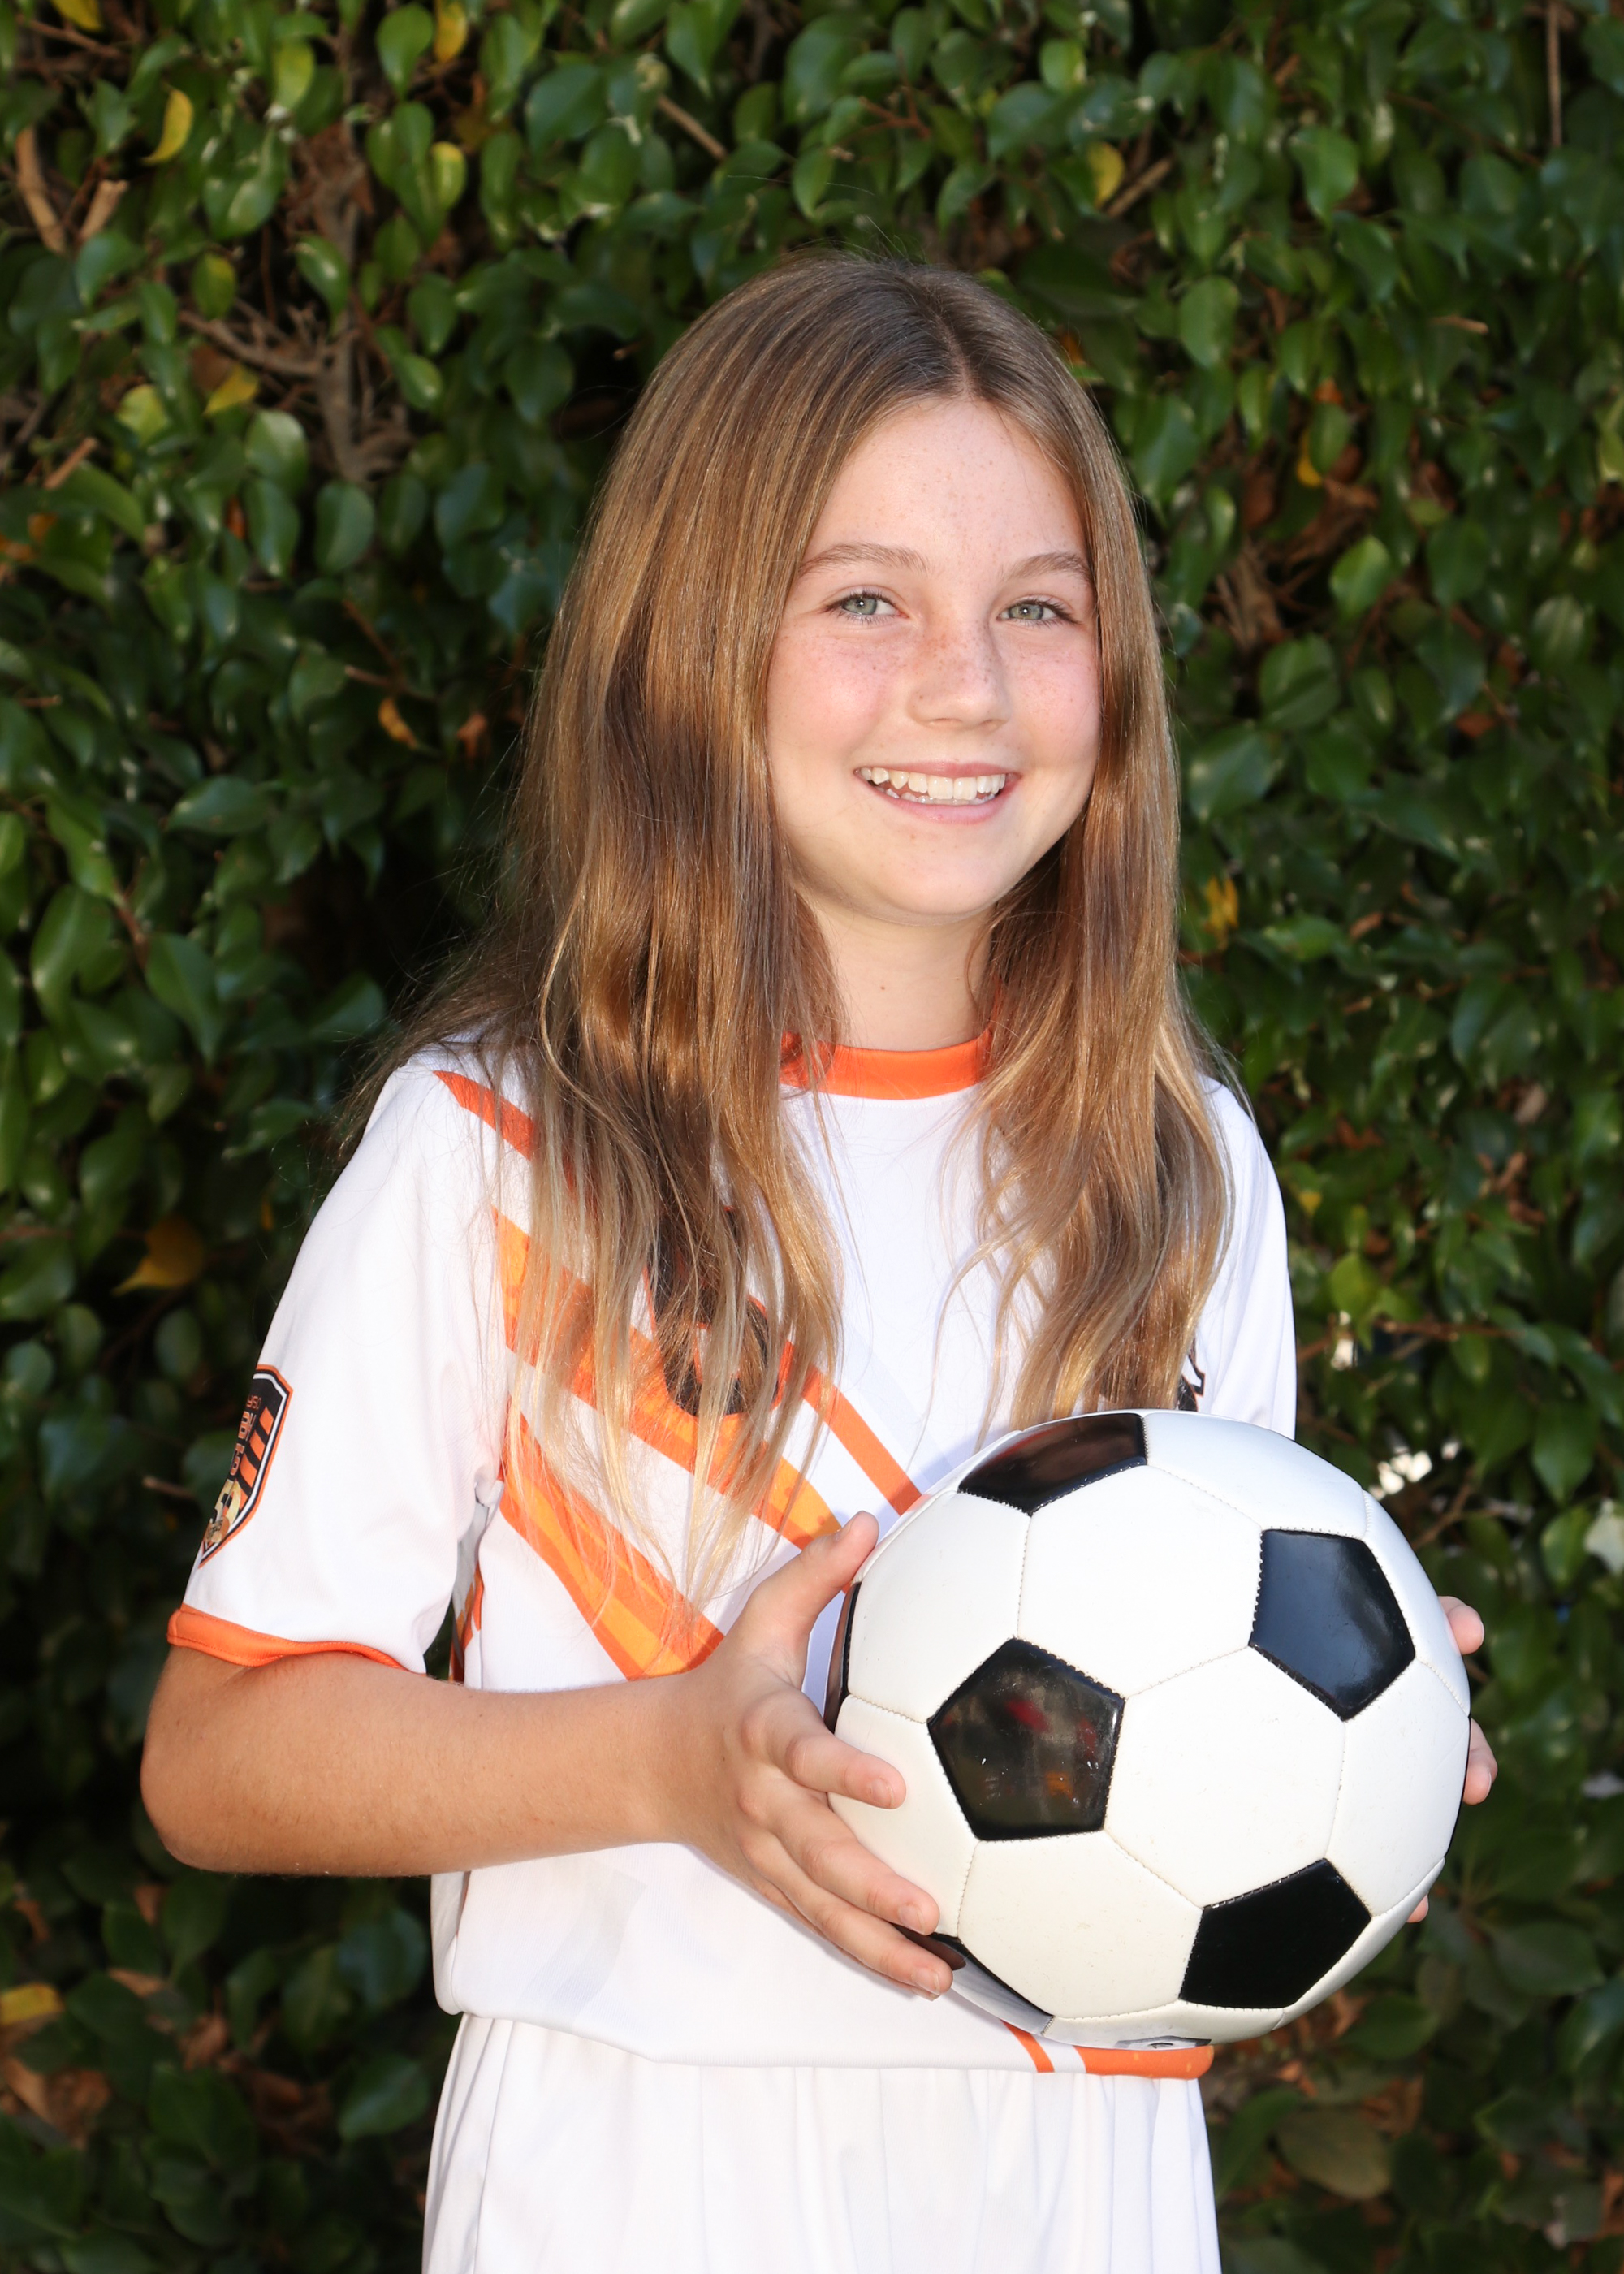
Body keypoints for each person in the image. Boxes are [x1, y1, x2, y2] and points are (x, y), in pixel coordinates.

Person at [140, 257, 1496, 2274]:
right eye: (865, 600)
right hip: (639, 2162)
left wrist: (1346, 1759)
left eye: (1038, 608)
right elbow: (219, 1754)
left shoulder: (1181, 1161)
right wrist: (671, 1763)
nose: (966, 686)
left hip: (1084, 2180)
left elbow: (1181, 1744)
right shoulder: (501, 1149)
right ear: (688, 647)